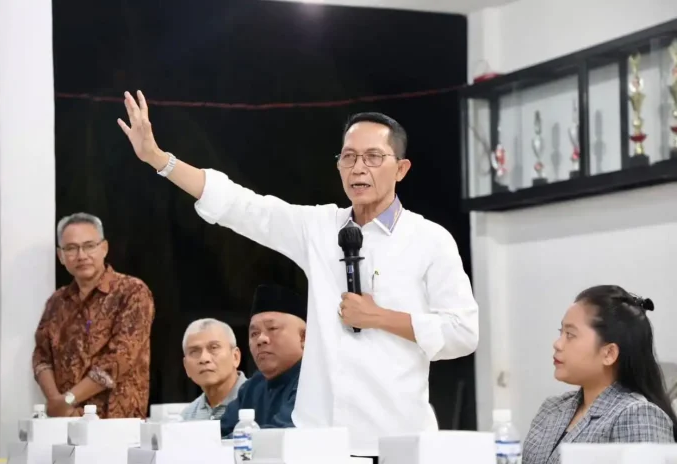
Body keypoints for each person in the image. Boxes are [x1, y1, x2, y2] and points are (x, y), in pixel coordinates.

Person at [117, 91, 478, 455]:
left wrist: (380, 317)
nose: (358, 168)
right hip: (319, 440)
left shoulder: (429, 239)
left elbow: (463, 332)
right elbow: (243, 207)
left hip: (395, 439)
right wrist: (160, 159)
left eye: (373, 157)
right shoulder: (319, 227)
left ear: (401, 169)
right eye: (348, 157)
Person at [523, 285, 676, 464]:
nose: (557, 344)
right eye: (561, 332)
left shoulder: (638, 415)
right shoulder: (552, 408)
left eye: (570, 335)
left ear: (609, 353)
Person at [32, 213, 155, 418]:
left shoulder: (132, 292)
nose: (81, 255)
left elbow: (120, 357)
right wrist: (56, 402)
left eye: (89, 246)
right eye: (71, 248)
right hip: (65, 420)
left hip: (115, 422)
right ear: (61, 256)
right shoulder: (57, 302)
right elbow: (41, 357)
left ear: (104, 248)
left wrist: (68, 399)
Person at [219, 284, 305, 436]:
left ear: (304, 337)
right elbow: (218, 433)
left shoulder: (312, 382)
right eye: (254, 333)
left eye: (272, 329)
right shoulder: (252, 387)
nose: (261, 339)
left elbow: (281, 435)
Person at [180, 318, 247, 421]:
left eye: (214, 348)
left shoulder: (260, 402)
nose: (204, 359)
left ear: (235, 357)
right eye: (194, 351)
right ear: (186, 366)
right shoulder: (187, 417)